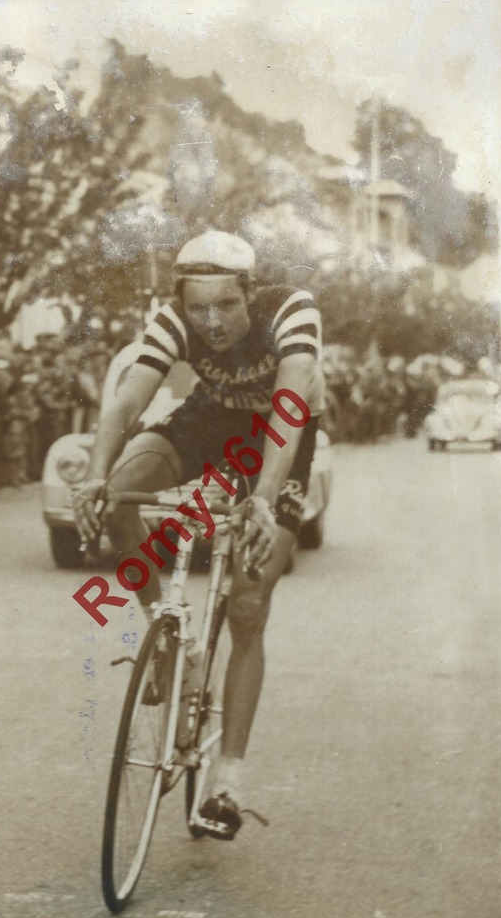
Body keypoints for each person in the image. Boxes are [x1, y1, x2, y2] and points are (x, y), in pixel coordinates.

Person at [73, 231, 323, 840]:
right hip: (211, 421)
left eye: (226, 305)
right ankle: (164, 633)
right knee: (121, 495)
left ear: (250, 294)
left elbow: (289, 405)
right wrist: (95, 477)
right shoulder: (171, 320)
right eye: (198, 307)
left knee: (248, 603)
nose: (211, 321)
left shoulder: (291, 309)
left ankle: (228, 780)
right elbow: (126, 402)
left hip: (279, 433)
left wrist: (262, 499)